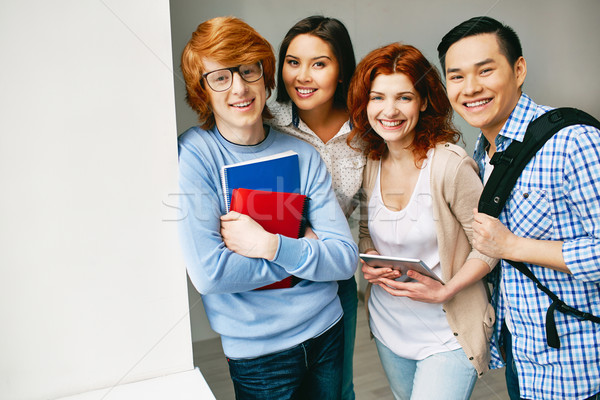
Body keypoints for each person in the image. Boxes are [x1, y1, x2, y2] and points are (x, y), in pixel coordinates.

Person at [177, 16, 358, 400]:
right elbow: (211, 274)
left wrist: (269, 244)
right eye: (220, 77)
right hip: (259, 353)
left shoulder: (303, 154)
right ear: (201, 89)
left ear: (265, 75)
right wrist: (306, 252)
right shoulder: (196, 154)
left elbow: (342, 260)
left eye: (248, 71)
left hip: (326, 329)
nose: (239, 88)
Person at [438, 16, 600, 400]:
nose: (471, 88)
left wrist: (512, 246)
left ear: (519, 69)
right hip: (524, 362)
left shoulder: (574, 144)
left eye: (486, 70)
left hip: (582, 369)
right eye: (457, 77)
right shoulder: (481, 152)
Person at [346, 43, 497, 400]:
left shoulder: (449, 165)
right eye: (378, 97)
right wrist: (370, 262)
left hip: (449, 330)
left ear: (424, 102)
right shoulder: (370, 162)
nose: (389, 110)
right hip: (389, 326)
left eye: (404, 97)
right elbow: (366, 231)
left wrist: (446, 289)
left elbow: (490, 245)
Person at [268, 15, 364, 400]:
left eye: (319, 63)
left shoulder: (367, 129)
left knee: (338, 390)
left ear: (342, 70)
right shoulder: (266, 122)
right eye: (293, 62)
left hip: (335, 275)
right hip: (277, 274)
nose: (302, 76)